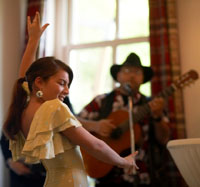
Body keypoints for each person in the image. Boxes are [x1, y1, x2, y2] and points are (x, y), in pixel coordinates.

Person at [3, 13, 138, 187]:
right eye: (61, 83)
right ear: (39, 82)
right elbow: (95, 145)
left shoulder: (26, 106)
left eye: (68, 85)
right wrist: (123, 161)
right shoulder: (54, 108)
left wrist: (33, 40)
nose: (67, 91)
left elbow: (24, 75)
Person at [78, 52, 172, 187]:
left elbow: (164, 139)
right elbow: (71, 121)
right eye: (127, 71)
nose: (132, 75)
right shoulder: (102, 101)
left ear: (143, 78)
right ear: (118, 76)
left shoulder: (152, 104)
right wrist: (95, 125)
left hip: (143, 177)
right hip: (108, 177)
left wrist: (157, 117)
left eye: (137, 72)